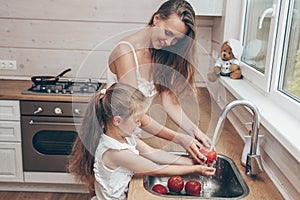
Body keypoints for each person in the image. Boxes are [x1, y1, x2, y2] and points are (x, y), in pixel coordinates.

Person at [68, 83, 216, 200]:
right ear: (117, 121)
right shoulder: (115, 152)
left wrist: (191, 162)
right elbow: (157, 169)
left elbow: (154, 154)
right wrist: (196, 170)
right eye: (137, 120)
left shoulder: (124, 137)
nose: (140, 124)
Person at [107, 0, 211, 163]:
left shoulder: (161, 53)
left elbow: (170, 103)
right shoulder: (125, 52)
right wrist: (179, 138)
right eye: (168, 33)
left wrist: (195, 132)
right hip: (115, 136)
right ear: (157, 19)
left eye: (176, 39)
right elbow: (136, 113)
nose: (169, 43)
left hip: (132, 132)